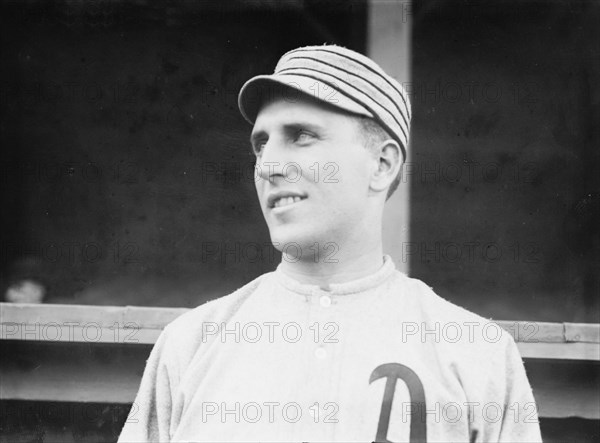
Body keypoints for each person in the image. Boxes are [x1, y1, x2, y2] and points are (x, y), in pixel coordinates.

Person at [118, 45, 542, 442]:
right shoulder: (190, 344)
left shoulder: (475, 354)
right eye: (261, 144)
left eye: (301, 135)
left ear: (382, 163)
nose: (268, 165)